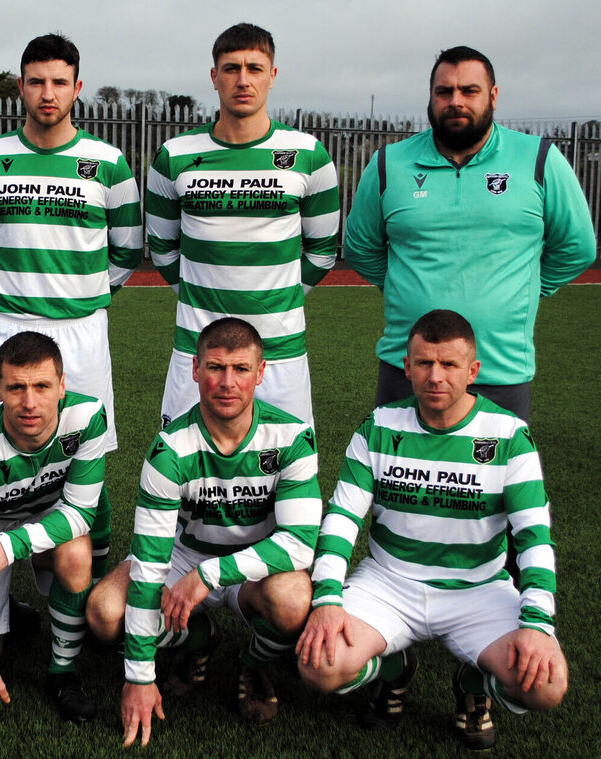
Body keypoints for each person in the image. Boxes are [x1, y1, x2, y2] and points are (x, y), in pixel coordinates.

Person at [297, 309, 566, 751]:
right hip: (389, 582)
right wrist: (327, 599)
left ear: (472, 370)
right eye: (424, 363)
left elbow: (534, 535)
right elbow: (342, 519)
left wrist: (536, 622)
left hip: (477, 588)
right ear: (406, 367)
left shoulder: (508, 435)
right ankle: (393, 668)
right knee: (319, 667)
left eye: (449, 364)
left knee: (545, 686)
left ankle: (474, 681)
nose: (435, 376)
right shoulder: (380, 426)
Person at [0, 32, 142, 586]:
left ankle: (86, 588)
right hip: (7, 325)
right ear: (20, 86)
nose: (47, 93)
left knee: (87, 455)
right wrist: (17, 288)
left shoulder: (107, 163)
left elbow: (127, 251)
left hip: (82, 331)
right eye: (36, 81)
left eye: (60, 82)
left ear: (78, 88)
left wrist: (79, 293)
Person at [85, 318, 320, 745]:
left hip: (255, 567)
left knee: (293, 602)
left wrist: (210, 576)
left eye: (241, 369)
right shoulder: (170, 449)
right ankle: (200, 638)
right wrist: (139, 676)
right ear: (195, 370)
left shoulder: (292, 436)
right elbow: (150, 560)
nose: (227, 382)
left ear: (261, 372)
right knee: (104, 614)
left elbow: (300, 544)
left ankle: (252, 661)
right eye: (215, 367)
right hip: (185, 556)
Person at [343, 46, 595, 421]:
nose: (455, 101)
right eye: (444, 92)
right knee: (396, 477)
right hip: (408, 369)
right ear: (430, 97)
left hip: (499, 372)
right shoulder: (388, 163)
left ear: (493, 96)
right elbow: (360, 248)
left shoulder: (539, 159)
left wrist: (522, 287)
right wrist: (403, 284)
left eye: (469, 91)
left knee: (496, 481)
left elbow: (577, 247)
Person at [146, 22, 339, 428]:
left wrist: (277, 296)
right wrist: (204, 293)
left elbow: (321, 252)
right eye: (231, 68)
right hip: (198, 348)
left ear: (272, 75)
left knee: (283, 474)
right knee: (186, 471)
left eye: (255, 68)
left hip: (278, 350)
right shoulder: (174, 156)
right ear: (214, 77)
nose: (243, 79)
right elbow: (162, 250)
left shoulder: (309, 155)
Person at [0, 331, 108, 727]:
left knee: (76, 550)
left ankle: (63, 672)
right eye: (16, 388)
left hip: (44, 520)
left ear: (62, 385)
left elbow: (82, 513)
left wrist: (7, 548)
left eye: (42, 386)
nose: (30, 402)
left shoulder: (88, 418)